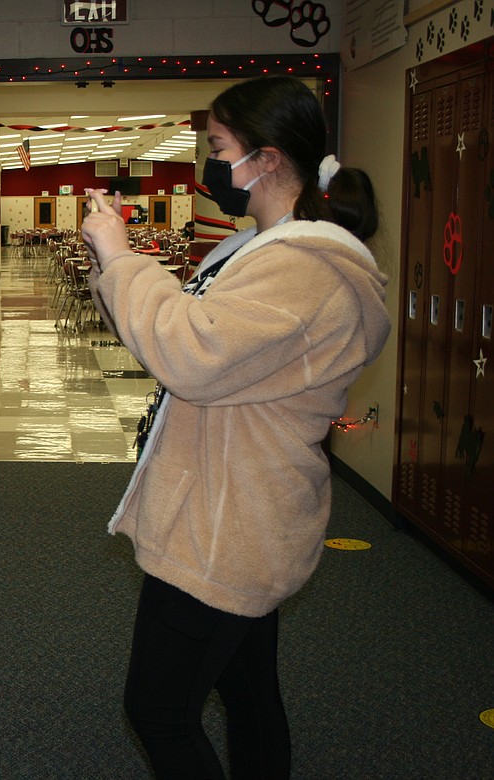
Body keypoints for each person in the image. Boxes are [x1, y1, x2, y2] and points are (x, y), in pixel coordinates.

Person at [80, 75, 389, 778]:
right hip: (235, 507)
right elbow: (167, 337)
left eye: (217, 147)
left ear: (269, 159)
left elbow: (190, 354)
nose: (207, 165)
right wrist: (112, 262)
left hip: (228, 524)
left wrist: (123, 255)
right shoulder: (263, 248)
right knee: (248, 693)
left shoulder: (303, 270)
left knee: (158, 711)